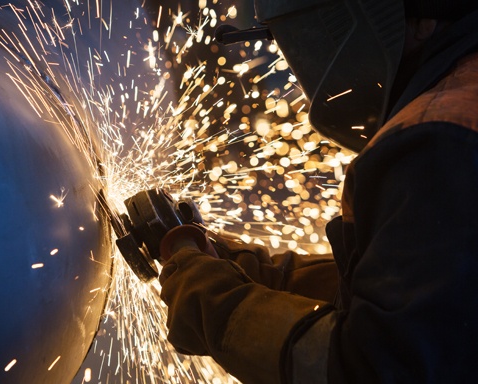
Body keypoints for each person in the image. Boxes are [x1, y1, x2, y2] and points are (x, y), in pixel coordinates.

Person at [157, 0, 478, 382]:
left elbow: (375, 369)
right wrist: (260, 277)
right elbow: (429, 306)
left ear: (420, 19)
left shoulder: (438, 142)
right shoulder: (460, 102)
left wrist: (220, 308)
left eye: (326, 31)